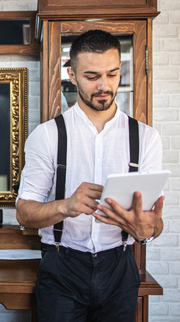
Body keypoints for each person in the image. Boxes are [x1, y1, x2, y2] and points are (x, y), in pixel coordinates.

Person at [16, 29, 164, 322]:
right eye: (92, 76)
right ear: (71, 73)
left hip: (120, 267)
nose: (104, 86)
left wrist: (148, 230)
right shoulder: (47, 136)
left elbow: (153, 224)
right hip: (61, 268)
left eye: (112, 74)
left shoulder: (146, 138)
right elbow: (24, 213)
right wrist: (64, 206)